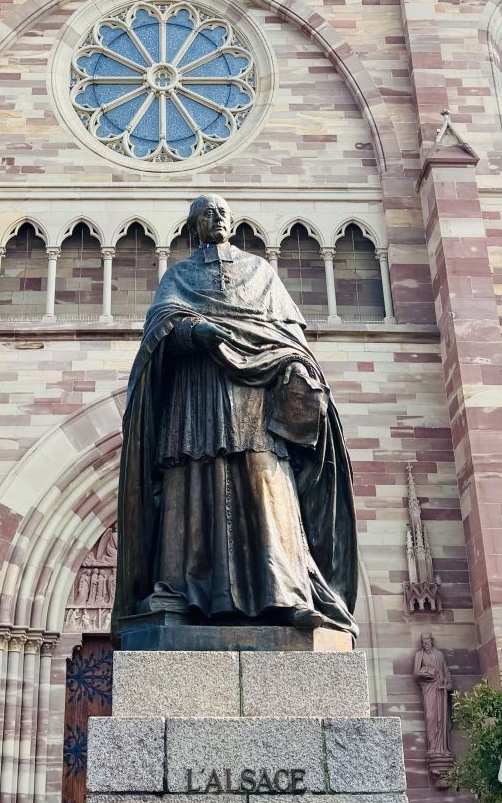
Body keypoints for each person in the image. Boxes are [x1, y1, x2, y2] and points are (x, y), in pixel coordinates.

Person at [114, 193, 358, 640]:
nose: (218, 218)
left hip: (254, 403)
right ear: (194, 228)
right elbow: (161, 325)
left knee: (267, 485)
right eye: (208, 213)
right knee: (190, 490)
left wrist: (299, 367)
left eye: (224, 212)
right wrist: (192, 330)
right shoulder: (179, 276)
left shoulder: (260, 272)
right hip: (196, 399)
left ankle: (285, 594)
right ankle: (180, 592)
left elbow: (287, 333)